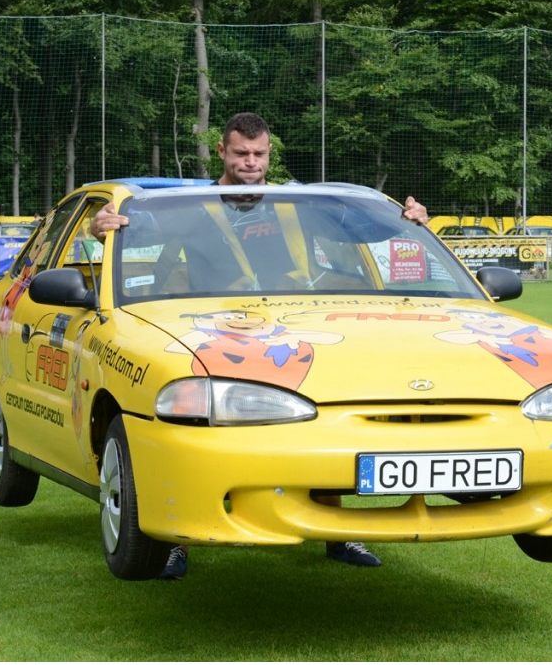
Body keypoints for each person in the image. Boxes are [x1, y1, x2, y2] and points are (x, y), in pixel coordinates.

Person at [89, 112, 430, 579]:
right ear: (223, 153)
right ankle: (174, 543)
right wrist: (99, 224)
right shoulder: (191, 207)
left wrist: (405, 221)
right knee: (199, 432)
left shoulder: (296, 203)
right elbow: (126, 227)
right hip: (213, 330)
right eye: (240, 153)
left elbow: (357, 229)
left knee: (324, 416)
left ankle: (340, 531)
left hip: (297, 327)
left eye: (259, 154)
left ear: (270, 154)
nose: (250, 163)